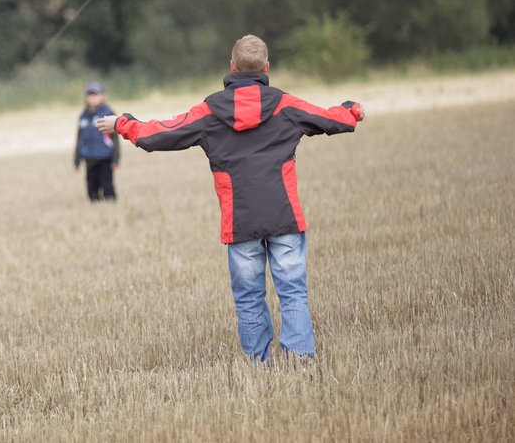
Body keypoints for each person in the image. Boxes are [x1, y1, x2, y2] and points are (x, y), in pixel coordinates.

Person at [96, 35, 364, 362]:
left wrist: (123, 124)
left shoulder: (210, 111)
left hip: (239, 222)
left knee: (249, 299)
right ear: (266, 68)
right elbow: (333, 119)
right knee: (293, 294)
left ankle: (257, 365)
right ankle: (300, 361)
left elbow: (160, 134)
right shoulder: (285, 105)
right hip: (285, 217)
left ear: (231, 66)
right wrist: (352, 110)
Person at [74, 82, 120, 201]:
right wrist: (77, 159)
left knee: (107, 185)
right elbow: (79, 139)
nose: (93, 97)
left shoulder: (108, 114)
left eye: (96, 94)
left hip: (105, 156)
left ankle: (111, 206)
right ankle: (95, 208)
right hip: (89, 157)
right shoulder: (83, 116)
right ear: (85, 97)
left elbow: (115, 138)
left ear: (102, 96)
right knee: (91, 187)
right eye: (90, 94)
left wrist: (116, 158)